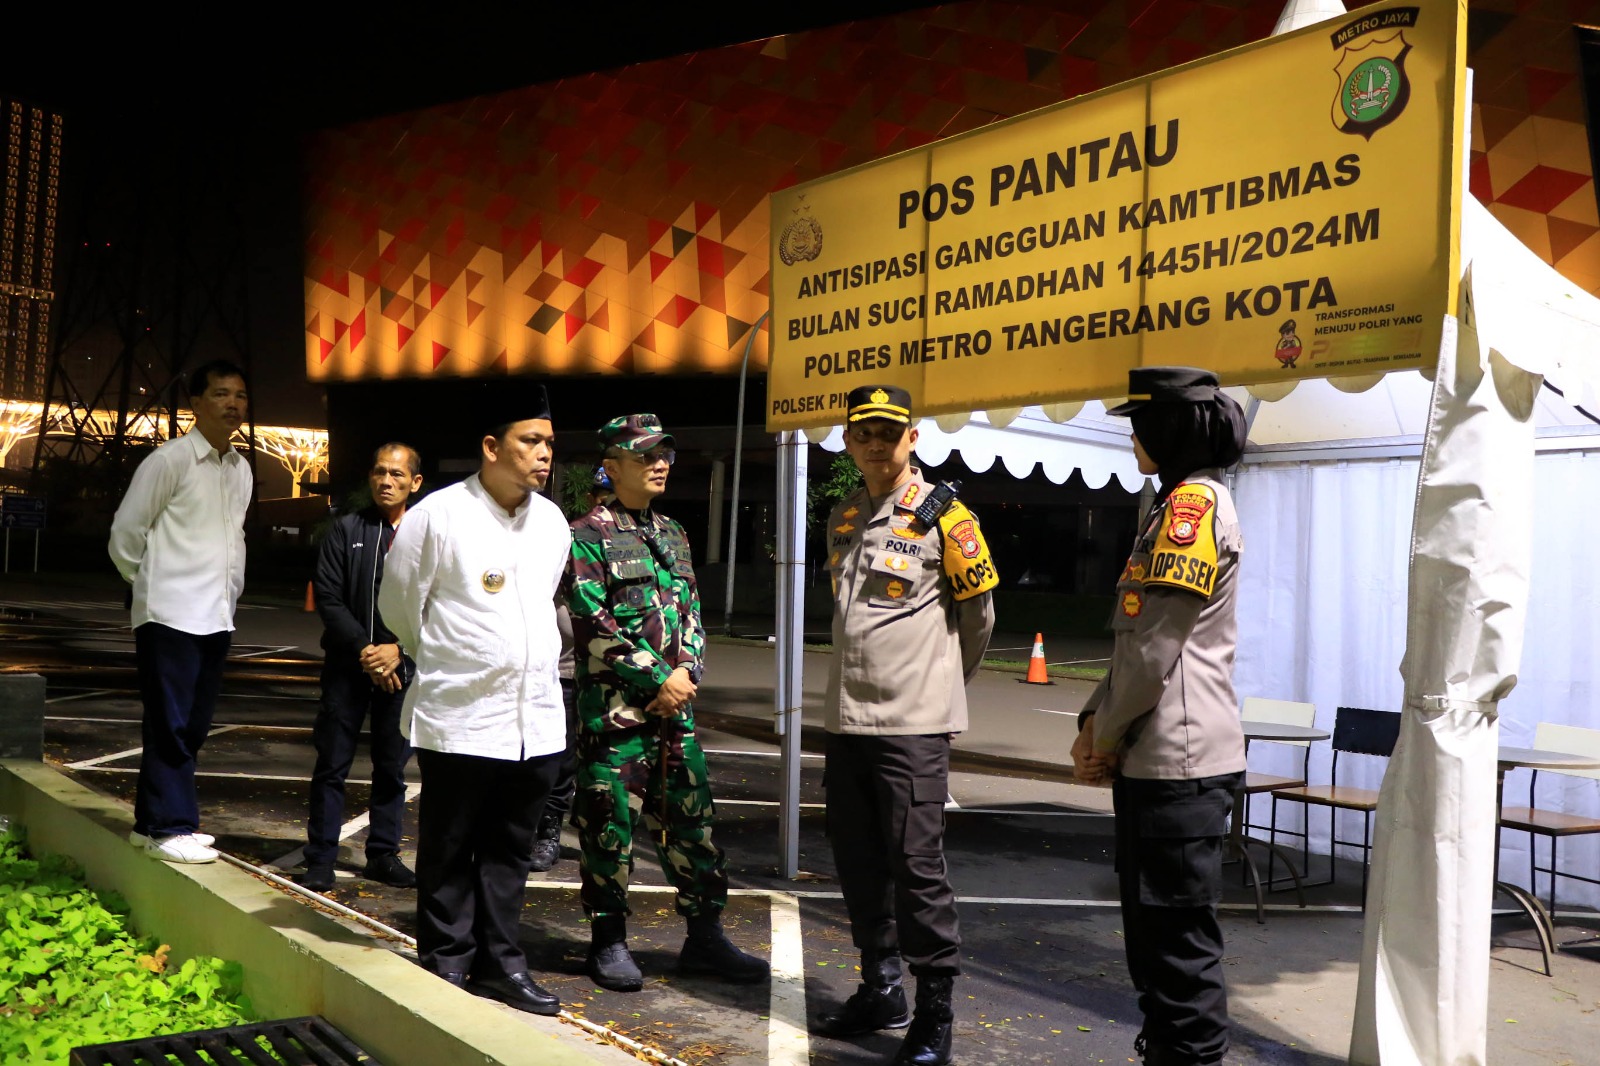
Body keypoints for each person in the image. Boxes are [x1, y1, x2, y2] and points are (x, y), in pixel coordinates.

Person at [1070, 366, 1249, 1066]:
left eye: (1140, 425)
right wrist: (1093, 721)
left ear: (1168, 429)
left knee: (1178, 957)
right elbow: (1133, 644)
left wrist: (1104, 737)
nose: (1132, 438)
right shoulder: (1174, 504)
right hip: (1163, 761)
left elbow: (1155, 650)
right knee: (1155, 947)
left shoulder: (1191, 508)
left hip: (1177, 764)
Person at [813, 384, 996, 1066]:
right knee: (858, 862)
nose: (876, 444)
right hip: (848, 723)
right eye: (863, 433)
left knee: (917, 871)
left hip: (912, 728)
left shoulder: (947, 516)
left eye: (889, 433)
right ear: (847, 440)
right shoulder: (843, 516)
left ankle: (935, 1013)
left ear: (912, 438)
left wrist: (939, 686)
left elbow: (979, 619)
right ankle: (881, 988)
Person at [376, 386, 569, 1015]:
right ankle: (447, 961)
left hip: (534, 719)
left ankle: (501, 964)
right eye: (530, 441)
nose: (544, 454)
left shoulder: (552, 522)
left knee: (510, 852)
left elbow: (542, 602)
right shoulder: (438, 515)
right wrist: (449, 658)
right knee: (450, 847)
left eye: (548, 442)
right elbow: (400, 605)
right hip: (461, 714)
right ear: (491, 447)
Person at [567, 414, 767, 992]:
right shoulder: (585, 535)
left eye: (665, 455)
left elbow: (693, 614)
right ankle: (608, 941)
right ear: (611, 466)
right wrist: (658, 677)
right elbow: (592, 623)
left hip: (674, 716)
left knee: (693, 825)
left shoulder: (673, 532)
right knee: (610, 829)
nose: (660, 465)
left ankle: (705, 938)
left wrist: (686, 671)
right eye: (646, 456)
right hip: (616, 719)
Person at [109, 359, 252, 865]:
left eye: (239, 395)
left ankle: (150, 823)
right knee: (169, 723)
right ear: (196, 403)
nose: (233, 403)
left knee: (192, 725)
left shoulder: (240, 468)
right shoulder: (169, 461)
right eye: (220, 393)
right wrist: (149, 583)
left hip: (217, 614)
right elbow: (126, 534)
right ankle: (171, 827)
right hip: (170, 613)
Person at [301, 442, 425, 893]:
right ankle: (321, 858)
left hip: (402, 669)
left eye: (396, 474)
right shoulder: (346, 528)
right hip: (347, 666)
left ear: (415, 482)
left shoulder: (426, 536)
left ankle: (383, 854)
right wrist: (368, 651)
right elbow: (329, 597)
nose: (386, 481)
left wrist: (398, 650)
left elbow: (436, 602)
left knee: (392, 768)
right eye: (379, 472)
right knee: (331, 763)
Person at [532, 466, 614, 873]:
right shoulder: (570, 537)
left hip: (612, 674)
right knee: (560, 762)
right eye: (600, 495)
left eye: (611, 495)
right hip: (566, 670)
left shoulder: (636, 542)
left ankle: (604, 841)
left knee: (606, 764)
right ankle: (547, 833)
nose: (605, 503)